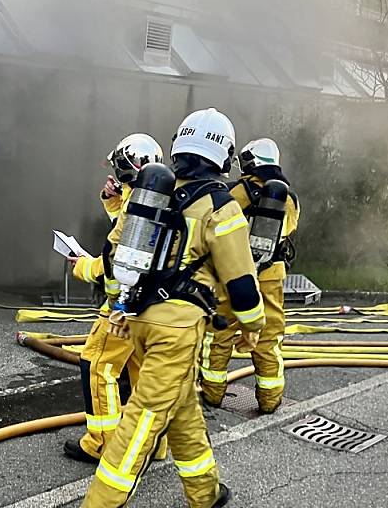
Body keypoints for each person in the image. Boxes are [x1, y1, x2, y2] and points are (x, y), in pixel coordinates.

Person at [82, 108, 265, 508]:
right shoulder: (220, 205)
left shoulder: (150, 197)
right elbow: (241, 282)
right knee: (143, 420)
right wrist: (252, 327)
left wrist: (121, 307)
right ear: (224, 153)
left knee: (182, 409)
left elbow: (112, 260)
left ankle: (206, 494)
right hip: (179, 330)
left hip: (140, 321)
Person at [65, 134, 164, 464]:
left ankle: (102, 443)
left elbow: (112, 262)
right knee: (141, 374)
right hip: (150, 306)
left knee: (96, 365)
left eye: (118, 167)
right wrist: (113, 200)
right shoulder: (153, 203)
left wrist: (81, 266)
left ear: (127, 167)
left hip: (123, 307)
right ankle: (152, 444)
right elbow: (127, 234)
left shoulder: (138, 205)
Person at [200, 138, 300, 414]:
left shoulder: (234, 191)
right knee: (268, 338)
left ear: (248, 161)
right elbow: (287, 233)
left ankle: (212, 395)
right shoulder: (289, 199)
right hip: (271, 277)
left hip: (232, 275)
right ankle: (269, 401)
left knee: (219, 335)